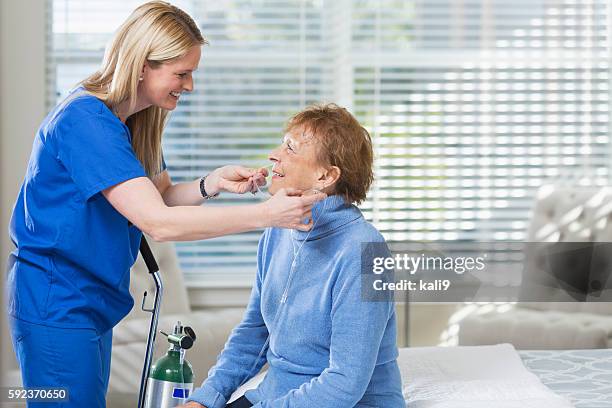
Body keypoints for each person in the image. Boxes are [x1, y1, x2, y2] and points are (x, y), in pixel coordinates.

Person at [6, 2, 323, 407]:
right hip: (57, 301)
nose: (189, 86)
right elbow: (158, 223)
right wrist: (267, 216)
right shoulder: (85, 121)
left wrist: (212, 184)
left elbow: (159, 198)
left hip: (90, 300)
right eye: (181, 73)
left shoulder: (134, 120)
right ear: (143, 65)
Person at [181, 104, 405, 408]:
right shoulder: (278, 231)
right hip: (275, 397)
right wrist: (206, 399)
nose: (274, 154)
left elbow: (344, 385)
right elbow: (254, 333)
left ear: (326, 175)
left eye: (290, 148)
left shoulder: (364, 251)